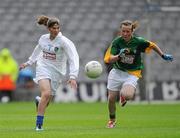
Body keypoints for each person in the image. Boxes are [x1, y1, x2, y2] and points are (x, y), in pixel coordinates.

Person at [104, 20, 173, 128]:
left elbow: (152, 45)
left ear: (132, 31)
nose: (125, 34)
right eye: (123, 31)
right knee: (111, 99)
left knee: (128, 95)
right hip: (117, 71)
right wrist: (118, 56)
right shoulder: (117, 42)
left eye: (128, 31)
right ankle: (112, 120)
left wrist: (162, 55)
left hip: (132, 73)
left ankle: (123, 96)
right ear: (120, 31)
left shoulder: (138, 42)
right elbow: (109, 59)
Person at [19, 15, 79, 131]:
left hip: (57, 71)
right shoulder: (43, 38)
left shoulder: (64, 42)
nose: (56, 30)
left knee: (47, 100)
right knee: (46, 94)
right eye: (53, 28)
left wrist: (73, 76)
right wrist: (28, 62)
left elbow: (73, 58)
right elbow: (37, 50)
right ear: (48, 29)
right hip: (43, 66)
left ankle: (39, 101)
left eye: (58, 28)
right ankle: (39, 125)